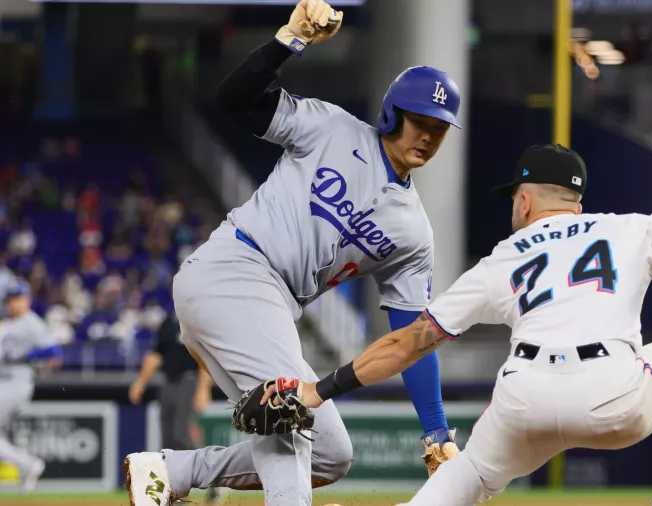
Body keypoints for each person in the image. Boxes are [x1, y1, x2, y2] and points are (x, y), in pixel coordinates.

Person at [286, 144, 652, 506]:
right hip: (611, 392)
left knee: (475, 473)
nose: (513, 206)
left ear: (527, 200)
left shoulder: (505, 255)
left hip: (523, 397)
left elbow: (409, 343)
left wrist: (319, 390)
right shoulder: (631, 228)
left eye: (514, 197)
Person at [123, 0, 462, 505]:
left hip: (273, 303)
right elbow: (234, 100)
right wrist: (288, 42)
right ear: (393, 112)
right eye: (420, 121)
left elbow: (413, 337)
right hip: (236, 268)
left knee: (331, 452)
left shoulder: (414, 232)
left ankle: (172, 472)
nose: (428, 135)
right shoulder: (332, 128)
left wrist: (436, 430)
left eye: (439, 127)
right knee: (288, 415)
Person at [128, 312, 219, 504]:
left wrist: (203, 389)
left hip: (189, 381)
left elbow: (205, 357)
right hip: (168, 383)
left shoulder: (196, 320)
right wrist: (140, 382)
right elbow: (156, 355)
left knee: (181, 434)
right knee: (167, 439)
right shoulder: (169, 322)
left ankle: (212, 479)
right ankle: (173, 491)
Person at [0, 280, 62, 494]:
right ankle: (28, 465)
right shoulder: (7, 323)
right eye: (10, 299)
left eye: (18, 298)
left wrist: (27, 355)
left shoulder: (31, 322)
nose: (14, 303)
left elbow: (54, 351)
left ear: (27, 300)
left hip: (16, 384)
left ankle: (28, 464)